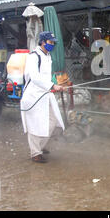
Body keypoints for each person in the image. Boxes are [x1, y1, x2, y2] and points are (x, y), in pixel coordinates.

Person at [20, 31, 65, 163]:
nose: (52, 44)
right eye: (50, 42)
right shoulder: (34, 56)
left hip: (45, 94)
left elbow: (45, 75)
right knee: (34, 124)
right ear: (43, 42)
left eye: (53, 42)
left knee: (52, 120)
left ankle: (40, 146)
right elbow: (34, 77)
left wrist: (55, 84)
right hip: (33, 95)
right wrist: (52, 85)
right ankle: (35, 153)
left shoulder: (47, 55)